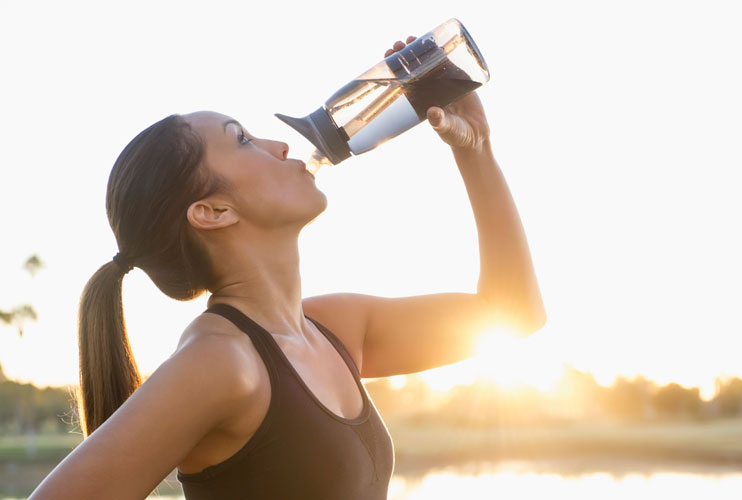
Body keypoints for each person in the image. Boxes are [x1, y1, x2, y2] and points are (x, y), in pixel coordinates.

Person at [29, 37, 546, 500]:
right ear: (213, 211)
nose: (279, 144)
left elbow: (514, 314)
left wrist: (476, 150)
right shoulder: (221, 362)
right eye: (244, 140)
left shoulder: (334, 329)